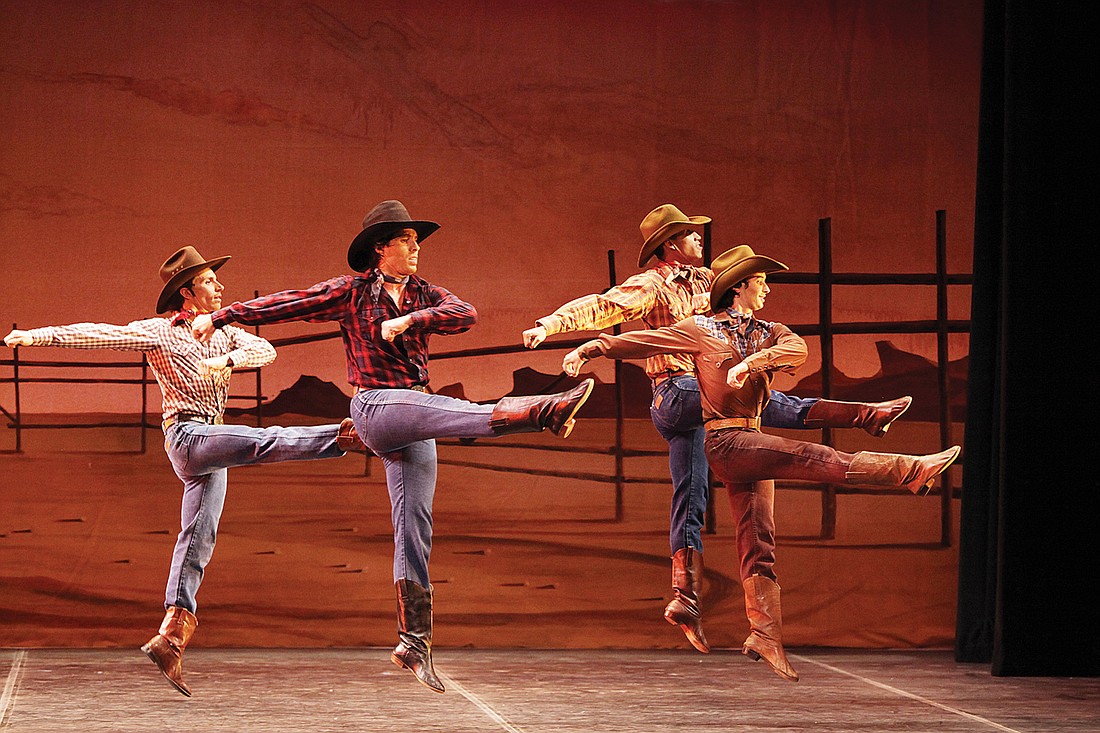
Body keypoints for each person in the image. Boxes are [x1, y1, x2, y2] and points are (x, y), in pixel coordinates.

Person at [190, 200, 594, 694]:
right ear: (380, 248)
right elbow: (290, 303)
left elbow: (464, 313)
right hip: (377, 408)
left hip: (416, 412)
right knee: (452, 413)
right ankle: (538, 411)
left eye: (416, 240)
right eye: (406, 240)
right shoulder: (353, 292)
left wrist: (410, 322)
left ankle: (414, 641)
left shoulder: (425, 292)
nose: (415, 248)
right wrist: (225, 315)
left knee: (415, 525)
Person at [522, 203, 912, 654]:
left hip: (704, 405)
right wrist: (552, 325)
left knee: (691, 492)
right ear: (671, 243)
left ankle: (685, 598)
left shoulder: (710, 282)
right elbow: (605, 306)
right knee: (766, 404)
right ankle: (865, 416)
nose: (699, 238)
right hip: (676, 393)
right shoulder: (652, 284)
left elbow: (738, 314)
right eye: (690, 233)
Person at [561, 244, 960, 682]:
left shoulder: (768, 330)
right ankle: (908, 469)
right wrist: (592, 348)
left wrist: (754, 361)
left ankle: (764, 634)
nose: (767, 289)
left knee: (759, 540)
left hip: (748, 436)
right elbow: (640, 341)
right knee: (814, 456)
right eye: (760, 282)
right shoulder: (698, 329)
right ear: (739, 288)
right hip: (726, 442)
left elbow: (796, 349)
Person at [2, 246, 370, 698]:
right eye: (211, 281)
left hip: (211, 442)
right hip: (188, 438)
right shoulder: (160, 332)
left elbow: (264, 348)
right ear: (187, 291)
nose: (220, 287)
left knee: (198, 535)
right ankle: (345, 436)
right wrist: (39, 337)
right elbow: (102, 335)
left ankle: (171, 636)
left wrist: (229, 358)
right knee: (261, 441)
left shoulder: (225, 331)